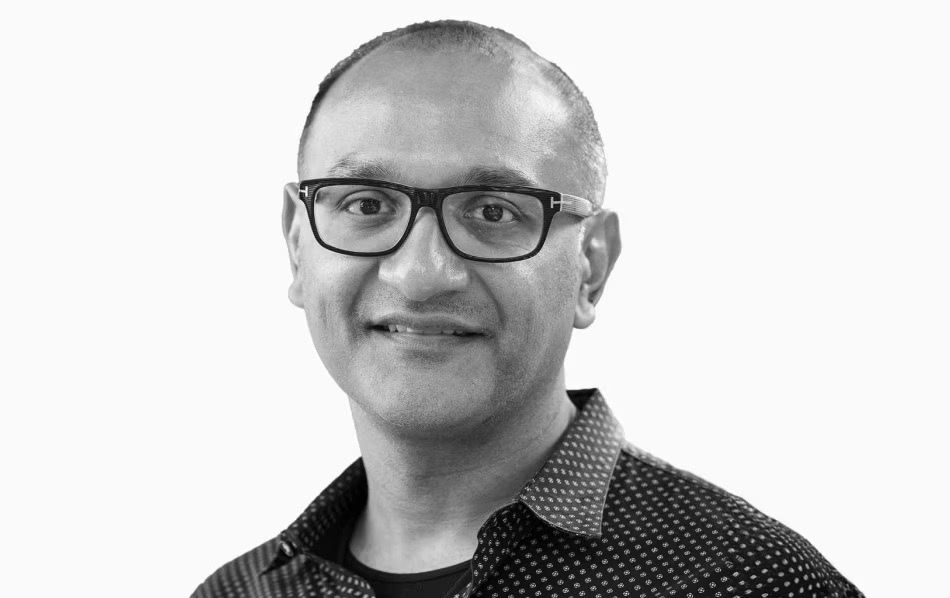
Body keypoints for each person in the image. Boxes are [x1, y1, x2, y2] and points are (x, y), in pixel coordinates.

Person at [191, 19, 863, 598]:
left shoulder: (755, 583)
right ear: (297, 245)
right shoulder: (236, 592)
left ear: (592, 265)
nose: (421, 274)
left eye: (493, 212)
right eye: (366, 204)